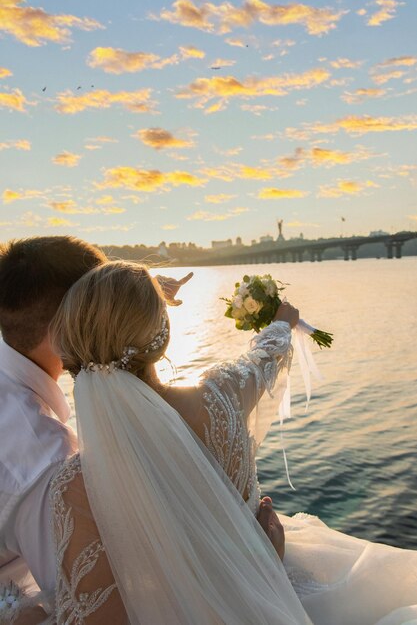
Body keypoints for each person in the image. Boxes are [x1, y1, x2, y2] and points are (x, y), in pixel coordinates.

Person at [48, 260, 417, 625]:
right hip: (271, 587)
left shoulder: (73, 487)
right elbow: (263, 357)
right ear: (161, 337)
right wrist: (282, 320)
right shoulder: (219, 397)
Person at [0, 237, 194, 623]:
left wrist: (146, 291)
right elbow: (90, 607)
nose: (111, 319)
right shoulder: (45, 462)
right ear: (63, 328)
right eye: (102, 306)